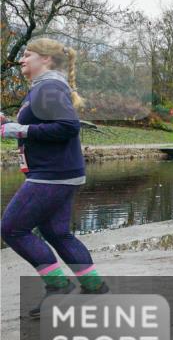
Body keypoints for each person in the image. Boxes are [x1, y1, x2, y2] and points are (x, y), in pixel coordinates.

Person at [0, 38, 108, 319]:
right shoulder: (44, 88)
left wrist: (19, 131)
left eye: (28, 54)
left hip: (52, 174)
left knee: (12, 228)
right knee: (56, 233)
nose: (21, 59)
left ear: (45, 60)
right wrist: (8, 125)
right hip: (59, 172)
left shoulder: (48, 87)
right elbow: (40, 125)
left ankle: (58, 286)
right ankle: (94, 287)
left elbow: (68, 127)